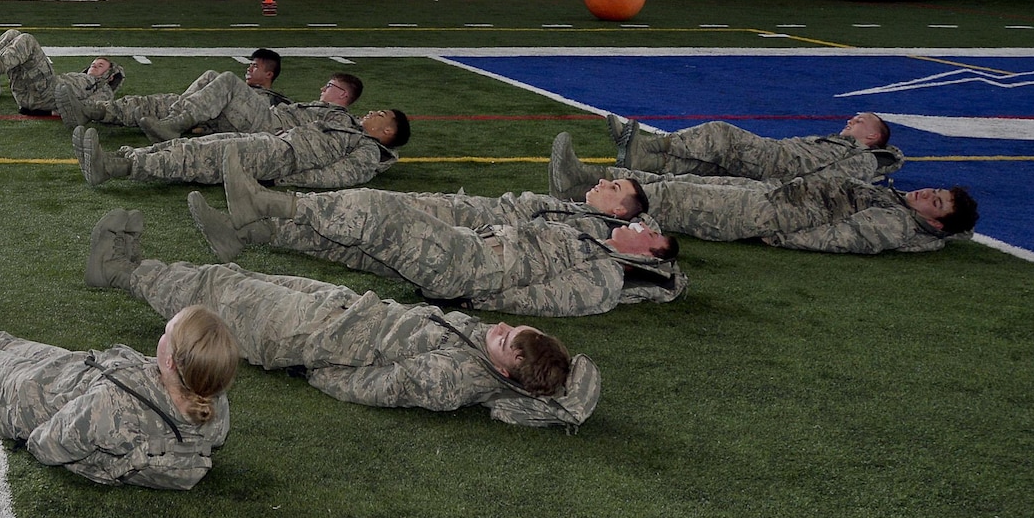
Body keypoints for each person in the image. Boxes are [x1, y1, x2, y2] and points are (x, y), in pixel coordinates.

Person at [83, 211, 598, 429]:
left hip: (311, 334)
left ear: (506, 372)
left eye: (511, 343)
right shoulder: (484, 351)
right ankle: (132, 269)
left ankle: (121, 269)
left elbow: (379, 387)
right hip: (339, 308)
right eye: (515, 330)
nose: (503, 329)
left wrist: (314, 369)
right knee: (227, 278)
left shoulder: (455, 379)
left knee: (217, 294)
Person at [211, 152, 683, 317]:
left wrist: (477, 299)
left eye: (645, 232)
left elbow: (545, 300)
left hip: (474, 268)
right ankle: (252, 232)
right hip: (475, 244)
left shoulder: (605, 278)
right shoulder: (599, 240)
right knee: (357, 247)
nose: (642, 228)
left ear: (648, 250)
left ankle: (270, 203)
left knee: (376, 213)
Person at [0, 272, 238, 490]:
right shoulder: (213, 406)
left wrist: (28, 427)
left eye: (167, 332)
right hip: (80, 372)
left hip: (29, 398)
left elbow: (50, 443)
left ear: (168, 360)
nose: (162, 334)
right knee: (4, 342)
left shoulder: (112, 408)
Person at [187, 175, 649, 263]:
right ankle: (248, 233)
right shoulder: (579, 212)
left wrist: (641, 233)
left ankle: (267, 205)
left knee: (364, 213)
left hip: (467, 229)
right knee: (353, 237)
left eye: (614, 191)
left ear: (621, 214)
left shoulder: (594, 231)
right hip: (466, 212)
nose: (604, 185)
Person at [582, 160, 976, 255]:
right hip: (778, 195)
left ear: (936, 224)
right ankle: (594, 179)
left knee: (673, 201)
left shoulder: (895, 225)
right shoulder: (895, 203)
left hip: (773, 214)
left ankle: (590, 199)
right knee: (682, 186)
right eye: (935, 190)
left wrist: (777, 234)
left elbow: (837, 238)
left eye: (936, 202)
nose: (927, 193)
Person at [72, 106, 408, 191]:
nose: (372, 112)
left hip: (283, 157)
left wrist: (286, 180)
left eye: (380, 115)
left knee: (201, 159)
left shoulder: (368, 150)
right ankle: (119, 158)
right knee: (198, 145)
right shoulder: (347, 123)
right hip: (277, 140)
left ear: (388, 131)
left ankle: (118, 168)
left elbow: (339, 177)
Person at [558, 113, 903, 187]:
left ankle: (643, 144)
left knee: (720, 135)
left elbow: (834, 180)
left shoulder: (863, 157)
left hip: (779, 165)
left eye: (861, 121)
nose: (852, 119)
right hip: (778, 164)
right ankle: (642, 159)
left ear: (873, 137)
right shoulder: (841, 143)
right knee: (697, 169)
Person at [73, 48, 294, 135]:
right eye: (250, 64)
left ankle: (175, 122)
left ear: (269, 75)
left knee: (221, 77)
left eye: (256, 66)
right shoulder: (231, 89)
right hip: (205, 114)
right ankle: (94, 111)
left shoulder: (274, 100)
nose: (249, 67)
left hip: (231, 123)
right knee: (154, 102)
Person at [0, 29, 126, 117]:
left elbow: (92, 109)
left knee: (27, 40)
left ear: (108, 75)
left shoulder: (103, 89)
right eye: (94, 63)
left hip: (48, 95)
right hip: (27, 95)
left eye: (100, 66)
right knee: (13, 34)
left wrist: (54, 112)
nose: (94, 66)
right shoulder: (81, 78)